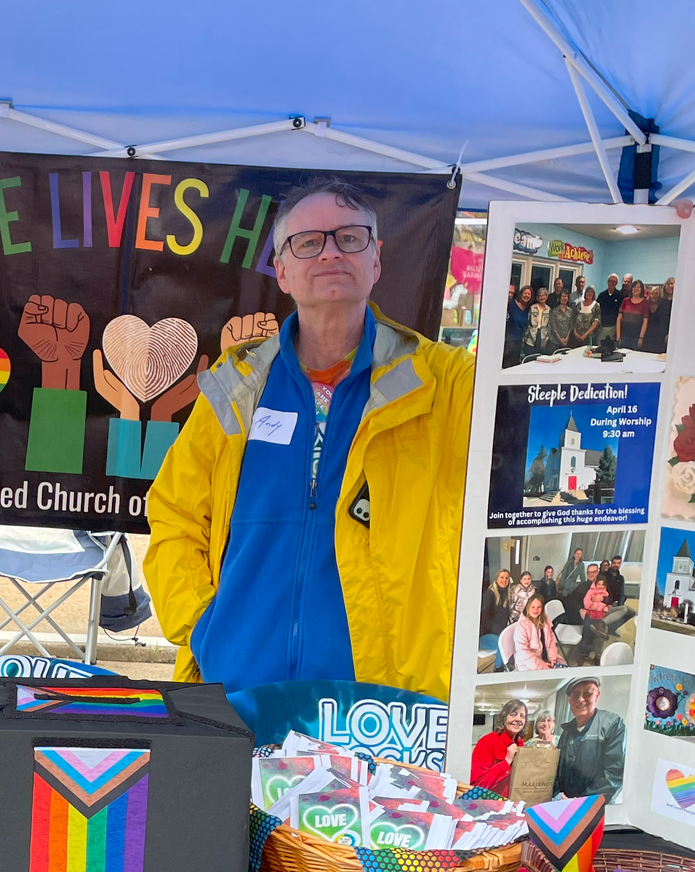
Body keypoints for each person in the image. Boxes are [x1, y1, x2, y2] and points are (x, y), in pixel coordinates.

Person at [148, 176, 475, 699]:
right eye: (308, 242)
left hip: (382, 706)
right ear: (281, 268)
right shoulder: (238, 387)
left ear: (377, 260)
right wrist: (204, 627)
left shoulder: (447, 383)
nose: (329, 253)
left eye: (350, 237)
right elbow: (174, 516)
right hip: (237, 691)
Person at [554, 676, 625, 802]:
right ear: (569, 700)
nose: (581, 700)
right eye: (575, 695)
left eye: (587, 693)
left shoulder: (613, 725)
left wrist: (580, 803)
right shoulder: (566, 732)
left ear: (597, 696)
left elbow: (613, 776)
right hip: (564, 806)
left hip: (596, 808)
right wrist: (558, 794)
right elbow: (557, 771)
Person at [470, 698, 529, 796]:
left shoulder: (521, 745)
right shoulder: (487, 742)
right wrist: (506, 762)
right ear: (504, 717)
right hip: (492, 805)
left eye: (522, 716)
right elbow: (477, 786)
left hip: (515, 804)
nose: (518, 719)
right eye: (513, 714)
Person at [511, 593, 565, 671]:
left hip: (544, 656)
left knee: (564, 669)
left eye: (539, 607)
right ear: (527, 608)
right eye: (533, 607)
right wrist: (541, 665)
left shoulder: (545, 621)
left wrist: (552, 658)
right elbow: (523, 652)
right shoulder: (521, 626)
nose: (535, 610)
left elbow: (551, 641)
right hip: (529, 663)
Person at [480, 566, 513, 644]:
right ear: (497, 579)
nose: (504, 580)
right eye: (502, 577)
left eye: (507, 578)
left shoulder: (507, 594)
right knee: (507, 645)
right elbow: (485, 619)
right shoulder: (489, 594)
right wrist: (499, 631)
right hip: (488, 634)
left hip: (500, 632)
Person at [618, 280, 651, 350]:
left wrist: (641, 337)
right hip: (624, 334)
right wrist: (618, 336)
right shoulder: (625, 301)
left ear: (642, 289)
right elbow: (619, 319)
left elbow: (645, 322)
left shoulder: (645, 302)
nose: (636, 289)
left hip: (636, 336)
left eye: (638, 287)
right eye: (634, 287)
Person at [504, 285, 530, 369]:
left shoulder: (528, 309)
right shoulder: (511, 305)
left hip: (519, 342)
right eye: (525, 293)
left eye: (529, 294)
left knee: (515, 366)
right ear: (520, 294)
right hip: (508, 341)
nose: (526, 295)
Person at [596, 274, 624, 349]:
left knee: (612, 348)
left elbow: (621, 313)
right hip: (602, 327)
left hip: (614, 327)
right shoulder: (601, 295)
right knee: (600, 347)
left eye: (613, 281)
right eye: (610, 281)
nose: (611, 283)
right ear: (607, 282)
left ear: (616, 283)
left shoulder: (620, 296)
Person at [643, 283, 672, 354]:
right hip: (647, 336)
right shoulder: (646, 305)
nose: (654, 296)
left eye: (657, 293)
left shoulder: (664, 305)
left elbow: (668, 321)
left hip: (661, 337)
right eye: (652, 293)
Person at [570, 286, 600, 350]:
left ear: (594, 294)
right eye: (587, 291)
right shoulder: (579, 305)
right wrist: (576, 334)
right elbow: (573, 320)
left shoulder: (596, 305)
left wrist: (585, 335)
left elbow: (596, 322)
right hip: (576, 338)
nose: (589, 293)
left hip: (589, 337)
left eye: (591, 292)